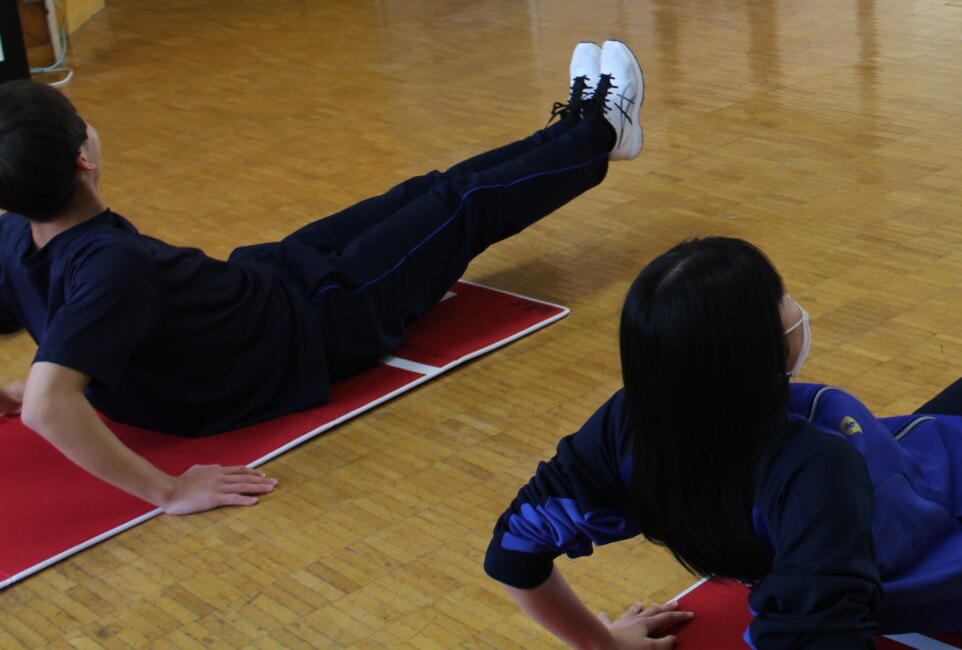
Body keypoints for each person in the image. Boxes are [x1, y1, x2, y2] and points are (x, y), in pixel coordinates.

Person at [485, 193, 962, 650]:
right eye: (779, 300)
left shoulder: (634, 424)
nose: (795, 310)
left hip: (911, 473)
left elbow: (513, 553)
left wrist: (604, 647)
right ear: (752, 354)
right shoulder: (811, 474)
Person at [0, 40, 645, 515]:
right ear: (84, 158)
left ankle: (575, 131)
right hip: (318, 325)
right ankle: (599, 135)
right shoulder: (111, 265)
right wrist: (167, 491)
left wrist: (7, 389)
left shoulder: (12, 235)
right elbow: (49, 405)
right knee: (461, 209)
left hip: (268, 281)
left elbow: (53, 370)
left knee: (429, 190)